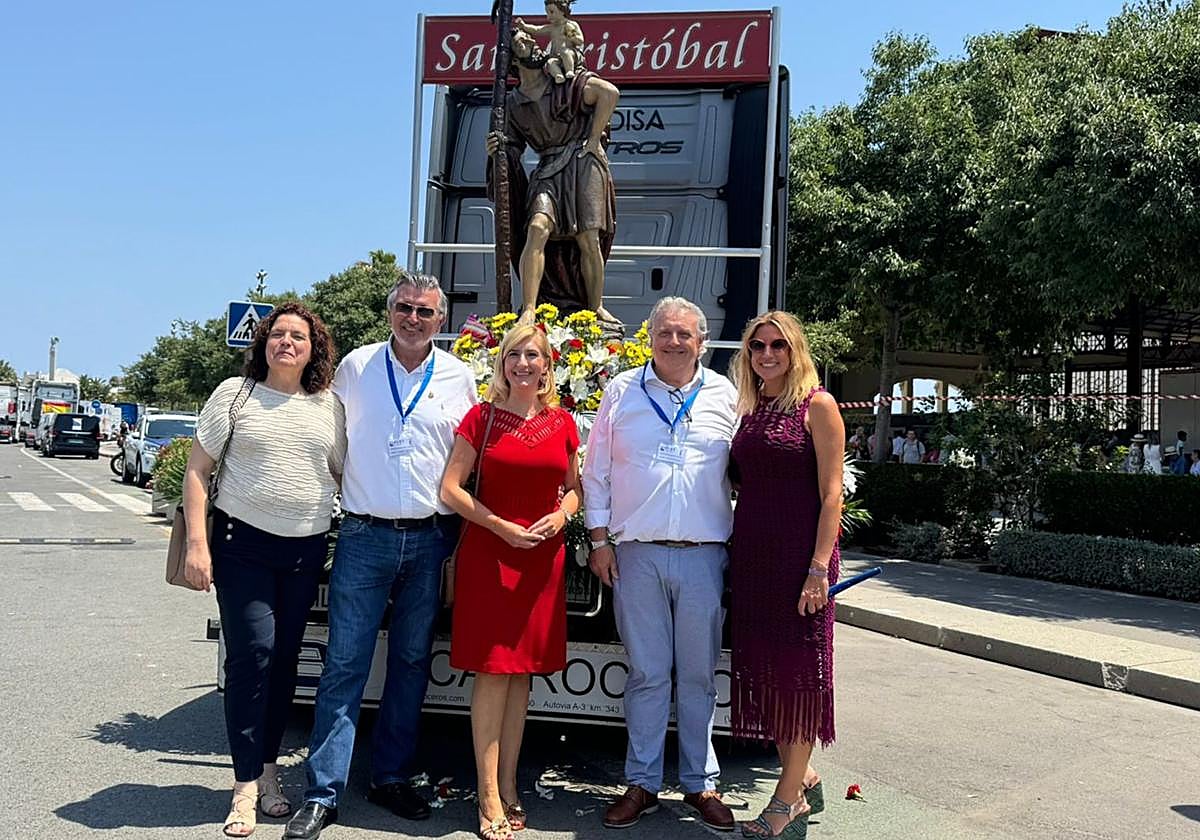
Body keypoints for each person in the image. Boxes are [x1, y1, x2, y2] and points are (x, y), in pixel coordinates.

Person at [285, 273, 477, 840]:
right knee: (344, 663)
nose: (413, 319)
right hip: (365, 536)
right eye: (404, 308)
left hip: (430, 538)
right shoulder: (356, 368)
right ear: (389, 311)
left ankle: (390, 776)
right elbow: (329, 439)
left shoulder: (460, 378)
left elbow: (470, 460)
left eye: (424, 311)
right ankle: (322, 793)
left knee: (412, 663)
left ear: (441, 320)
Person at [181, 302, 346, 838]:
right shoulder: (235, 395)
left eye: (299, 337)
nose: (287, 344)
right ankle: (244, 787)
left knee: (283, 664)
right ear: (264, 342)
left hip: (304, 551)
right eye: (278, 335)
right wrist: (198, 547)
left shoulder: (330, 406)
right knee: (251, 657)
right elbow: (198, 471)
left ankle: (270, 775)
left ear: (313, 348)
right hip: (241, 546)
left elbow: (343, 472)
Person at [582, 297, 739, 832]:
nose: (674, 342)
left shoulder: (725, 394)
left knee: (698, 676)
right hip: (636, 554)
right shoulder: (622, 391)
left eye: (684, 334)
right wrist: (598, 539)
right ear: (649, 338)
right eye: (664, 333)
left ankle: (700, 783)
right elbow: (596, 470)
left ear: (702, 340)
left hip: (703, 556)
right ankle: (643, 782)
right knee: (648, 674)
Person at [440, 324, 582, 840]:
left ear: (548, 366)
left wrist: (562, 516)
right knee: (494, 673)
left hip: (542, 561)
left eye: (533, 356)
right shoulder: (481, 418)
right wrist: (499, 524)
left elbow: (574, 490)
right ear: (502, 363)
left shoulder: (564, 422)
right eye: (514, 355)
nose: (523, 363)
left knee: (522, 675)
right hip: (490, 554)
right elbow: (451, 489)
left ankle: (508, 781)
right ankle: (486, 796)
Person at [727, 311, 843, 838]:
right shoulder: (751, 409)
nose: (767, 354)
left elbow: (831, 493)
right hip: (753, 559)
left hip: (800, 563)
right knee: (765, 675)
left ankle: (785, 799)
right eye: (757, 346)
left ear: (795, 350)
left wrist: (818, 569)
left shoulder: (817, 405)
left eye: (777, 345)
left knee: (796, 677)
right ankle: (803, 772)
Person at [485, 27, 620, 326]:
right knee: (536, 227)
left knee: (588, 238)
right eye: (521, 40)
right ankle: (530, 308)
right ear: (512, 60)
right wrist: (497, 151)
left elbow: (609, 94)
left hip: (582, 163)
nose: (532, 41)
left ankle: (595, 306)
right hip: (547, 169)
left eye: (529, 37)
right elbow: (511, 149)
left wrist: (594, 139)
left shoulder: (567, 84)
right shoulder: (512, 104)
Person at [516, 0, 585, 84]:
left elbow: (580, 41)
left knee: (565, 52)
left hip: (572, 54)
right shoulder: (552, 28)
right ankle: (558, 75)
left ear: (562, 11)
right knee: (550, 62)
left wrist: (571, 36)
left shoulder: (570, 25)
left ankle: (569, 71)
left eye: (552, 12)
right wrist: (524, 26)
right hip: (557, 57)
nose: (549, 17)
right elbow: (537, 29)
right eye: (547, 13)